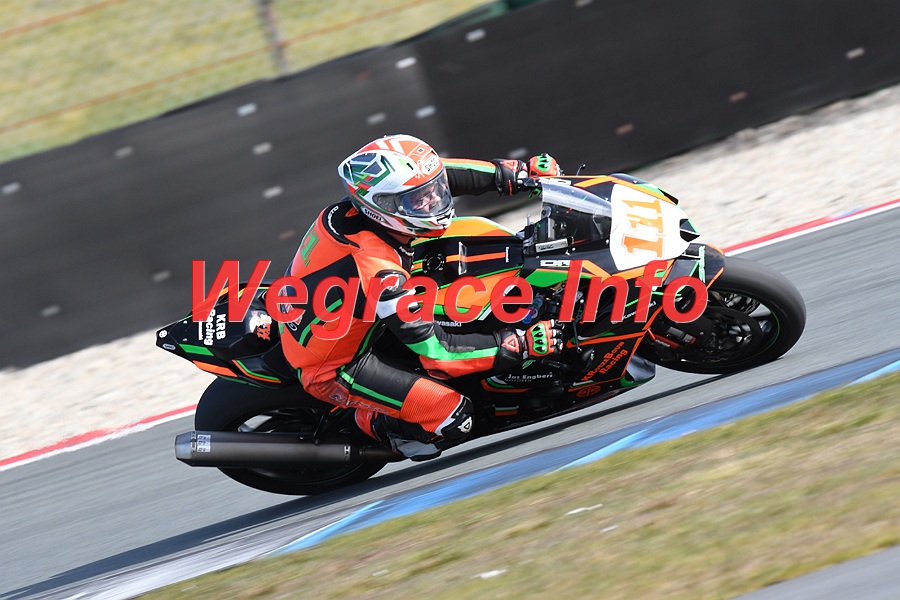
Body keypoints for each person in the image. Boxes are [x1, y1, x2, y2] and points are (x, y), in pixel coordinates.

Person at [279, 134, 563, 460]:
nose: (434, 199)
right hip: (338, 365)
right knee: (454, 416)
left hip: (341, 313)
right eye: (419, 199)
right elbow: (438, 352)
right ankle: (371, 422)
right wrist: (518, 345)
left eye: (433, 190)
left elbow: (441, 174)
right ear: (384, 206)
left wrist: (514, 174)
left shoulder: (368, 209)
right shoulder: (379, 270)